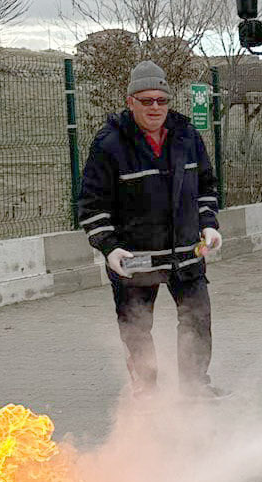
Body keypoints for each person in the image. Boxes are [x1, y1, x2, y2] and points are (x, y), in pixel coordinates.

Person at [78, 61, 225, 398]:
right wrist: (109, 246)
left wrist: (208, 224)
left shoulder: (187, 136)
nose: (155, 107)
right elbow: (92, 203)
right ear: (130, 102)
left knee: (197, 318)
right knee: (136, 325)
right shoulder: (110, 144)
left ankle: (193, 387)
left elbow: (206, 185)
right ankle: (147, 389)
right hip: (136, 258)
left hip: (187, 253)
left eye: (162, 100)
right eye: (147, 101)